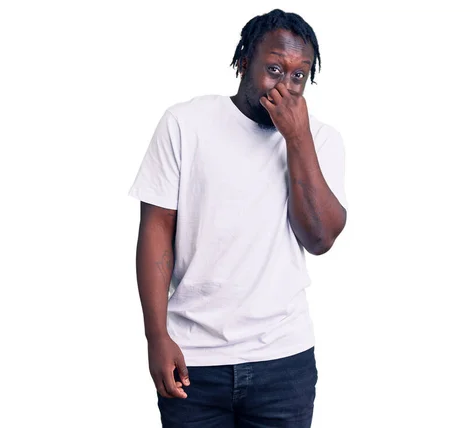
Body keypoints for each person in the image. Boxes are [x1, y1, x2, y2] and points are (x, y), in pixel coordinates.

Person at [128, 8, 348, 428]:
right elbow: (156, 230)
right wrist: (156, 336)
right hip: (194, 360)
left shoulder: (320, 138)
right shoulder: (185, 124)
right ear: (244, 61)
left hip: (283, 361)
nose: (286, 85)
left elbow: (319, 238)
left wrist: (297, 140)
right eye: (274, 69)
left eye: (299, 75)